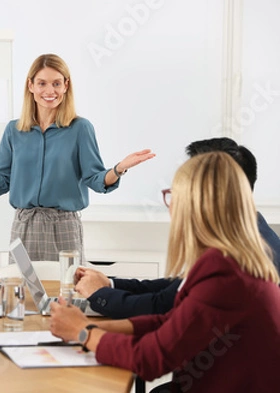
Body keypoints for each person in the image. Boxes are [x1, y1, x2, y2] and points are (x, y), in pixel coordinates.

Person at [50, 152, 280, 392]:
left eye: (172, 196)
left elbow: (151, 360)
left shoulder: (226, 273)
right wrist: (88, 326)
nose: (170, 208)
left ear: (196, 206)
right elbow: (171, 321)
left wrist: (84, 333)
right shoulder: (235, 258)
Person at [0, 53, 155, 263]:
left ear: (66, 86)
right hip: (24, 226)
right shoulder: (14, 130)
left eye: (56, 83)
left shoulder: (80, 128)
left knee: (66, 295)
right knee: (22, 297)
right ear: (31, 86)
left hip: (63, 227)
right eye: (42, 83)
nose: (49, 91)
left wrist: (119, 168)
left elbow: (95, 179)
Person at [76, 137, 280, 319]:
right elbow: (175, 288)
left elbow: (163, 307)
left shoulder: (244, 254)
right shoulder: (244, 232)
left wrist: (99, 295)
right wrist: (109, 283)